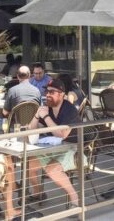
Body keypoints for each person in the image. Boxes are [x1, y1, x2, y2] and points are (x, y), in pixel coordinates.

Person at [28, 78, 79, 207]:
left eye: (52, 92)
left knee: (52, 170)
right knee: (29, 165)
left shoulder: (69, 109)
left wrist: (45, 116)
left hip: (73, 149)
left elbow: (62, 134)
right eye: (47, 92)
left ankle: (75, 199)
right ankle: (38, 193)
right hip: (52, 149)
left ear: (61, 94)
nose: (48, 95)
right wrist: (37, 115)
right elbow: (30, 130)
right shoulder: (48, 109)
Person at [0, 66, 41, 134]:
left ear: (17, 76)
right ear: (30, 76)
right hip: (32, 126)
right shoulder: (37, 91)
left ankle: (3, 143)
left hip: (16, 126)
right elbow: (40, 110)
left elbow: (5, 112)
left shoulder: (12, 90)